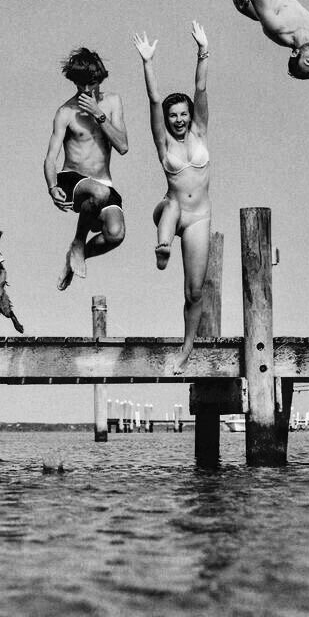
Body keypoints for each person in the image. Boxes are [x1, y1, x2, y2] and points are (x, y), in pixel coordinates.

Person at [134, 22, 211, 373]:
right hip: (169, 211)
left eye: (183, 114)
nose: (179, 120)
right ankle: (163, 246)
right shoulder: (163, 143)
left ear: (190, 115)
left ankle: (186, 347)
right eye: (173, 116)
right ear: (166, 120)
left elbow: (201, 85)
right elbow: (153, 99)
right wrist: (148, 62)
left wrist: (202, 50)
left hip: (199, 218)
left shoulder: (200, 131)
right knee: (174, 204)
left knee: (195, 292)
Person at [44, 47, 128, 290]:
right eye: (81, 85)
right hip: (72, 180)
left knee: (116, 234)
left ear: (100, 78)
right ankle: (79, 242)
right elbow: (50, 158)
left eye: (91, 84)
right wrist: (52, 188)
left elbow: (122, 146)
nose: (86, 90)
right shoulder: (65, 112)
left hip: (103, 182)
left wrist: (98, 114)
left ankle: (76, 257)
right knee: (98, 194)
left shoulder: (112, 102)